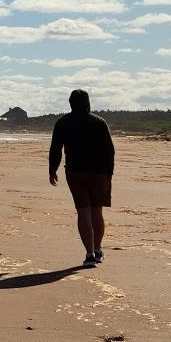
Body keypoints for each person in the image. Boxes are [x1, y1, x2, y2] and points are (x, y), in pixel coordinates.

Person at [48, 89, 114, 268]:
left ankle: (89, 254)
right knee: (96, 212)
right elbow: (109, 151)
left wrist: (52, 170)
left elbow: (56, 149)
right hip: (99, 173)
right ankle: (98, 250)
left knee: (83, 211)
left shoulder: (63, 123)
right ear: (87, 103)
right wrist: (109, 174)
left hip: (75, 172)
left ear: (70, 103)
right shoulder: (99, 122)